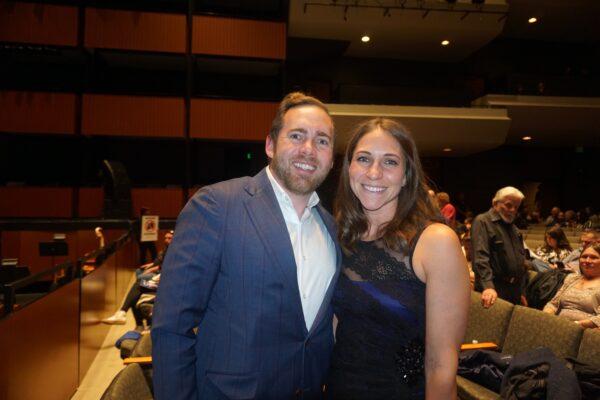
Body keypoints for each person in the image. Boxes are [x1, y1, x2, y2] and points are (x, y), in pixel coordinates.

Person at [152, 92, 340, 400]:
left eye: (322, 141)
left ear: (331, 158)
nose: (309, 149)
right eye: (296, 136)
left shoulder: (331, 230)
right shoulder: (217, 206)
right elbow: (171, 328)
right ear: (270, 145)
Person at [328, 118, 469, 399]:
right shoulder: (339, 235)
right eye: (364, 159)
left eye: (390, 162)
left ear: (407, 175)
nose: (374, 172)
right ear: (349, 169)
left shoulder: (435, 242)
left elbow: (441, 367)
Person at [103, 230, 174, 328]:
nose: (166, 240)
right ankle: (127, 316)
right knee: (136, 291)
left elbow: (166, 271)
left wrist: (158, 275)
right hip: (158, 284)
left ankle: (130, 318)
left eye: (170, 238)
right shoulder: (169, 250)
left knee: (138, 285)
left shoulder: (175, 254)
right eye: (166, 238)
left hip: (162, 287)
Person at [471, 186, 529, 307]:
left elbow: (521, 263)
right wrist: (487, 287)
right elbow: (480, 257)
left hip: (515, 291)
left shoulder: (515, 229)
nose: (513, 210)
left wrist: (522, 292)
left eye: (516, 207)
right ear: (495, 203)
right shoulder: (483, 221)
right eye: (508, 205)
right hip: (494, 290)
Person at [543, 243, 600, 329]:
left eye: (594, 257)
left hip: (585, 331)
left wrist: (574, 325)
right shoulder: (572, 278)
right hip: (557, 324)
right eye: (584, 257)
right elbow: (553, 304)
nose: (587, 260)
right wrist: (545, 317)